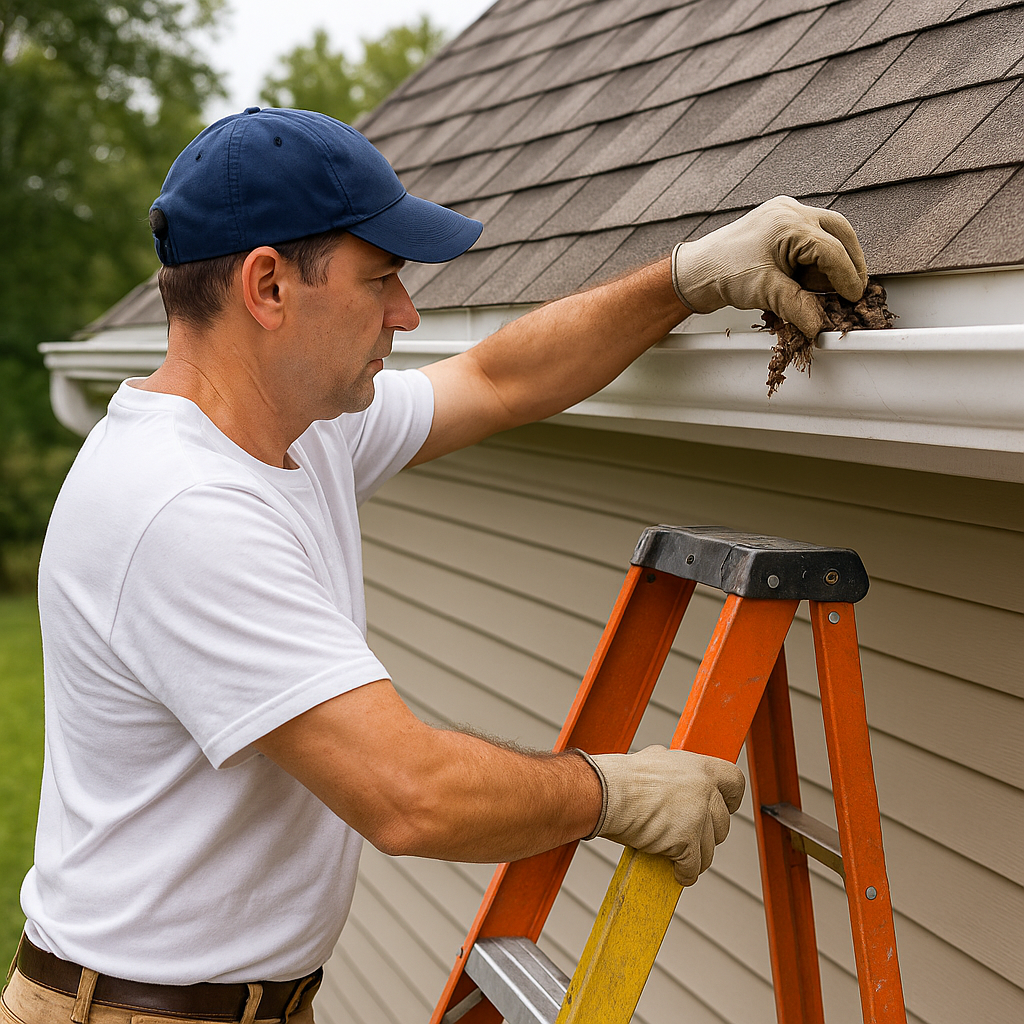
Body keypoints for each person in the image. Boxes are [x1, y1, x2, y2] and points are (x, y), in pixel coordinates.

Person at [6, 108, 868, 1024]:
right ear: (267, 287)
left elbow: (496, 379)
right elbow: (407, 794)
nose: (406, 313)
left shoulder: (302, 429)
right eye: (380, 280)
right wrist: (612, 791)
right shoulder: (180, 506)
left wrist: (690, 278)